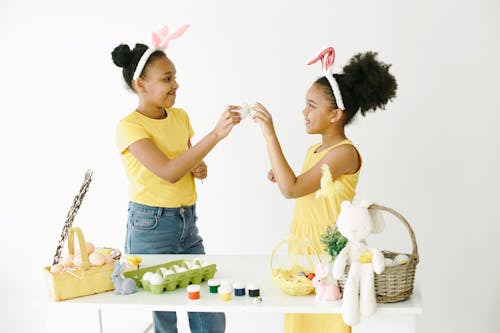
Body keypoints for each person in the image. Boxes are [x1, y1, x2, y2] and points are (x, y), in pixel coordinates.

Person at [252, 47, 397, 333]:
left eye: (311, 105)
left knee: (326, 324)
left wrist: (269, 133)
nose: (303, 112)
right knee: (299, 324)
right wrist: (280, 176)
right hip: (303, 248)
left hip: (329, 254)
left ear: (335, 115)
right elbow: (299, 185)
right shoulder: (315, 149)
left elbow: (292, 189)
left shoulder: (344, 153)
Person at [111, 25, 241, 333]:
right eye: (167, 79)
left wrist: (199, 167)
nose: (175, 85)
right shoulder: (128, 126)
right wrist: (216, 135)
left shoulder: (180, 116)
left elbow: (187, 160)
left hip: (187, 223)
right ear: (140, 84)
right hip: (149, 226)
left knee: (206, 309)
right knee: (164, 318)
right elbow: (169, 172)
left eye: (175, 77)